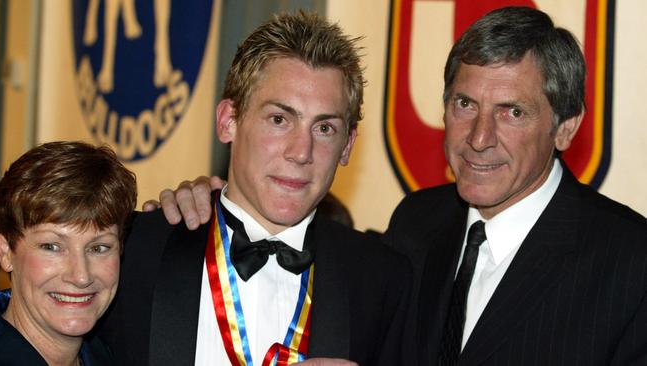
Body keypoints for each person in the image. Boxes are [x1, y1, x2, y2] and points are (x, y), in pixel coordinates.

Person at [159, 6, 647, 366]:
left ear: (565, 128)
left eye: (512, 112)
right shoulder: (416, 224)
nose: (479, 138)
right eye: (464, 104)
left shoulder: (630, 262)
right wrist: (207, 206)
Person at [97, 11, 411, 366]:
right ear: (228, 121)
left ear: (348, 145)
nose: (301, 152)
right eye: (279, 120)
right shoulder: (136, 251)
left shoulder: (383, 281)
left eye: (324, 129)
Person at [0, 141, 137, 366]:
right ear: (5, 251)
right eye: (52, 247)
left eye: (99, 248)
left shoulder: (116, 352)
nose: (81, 276)